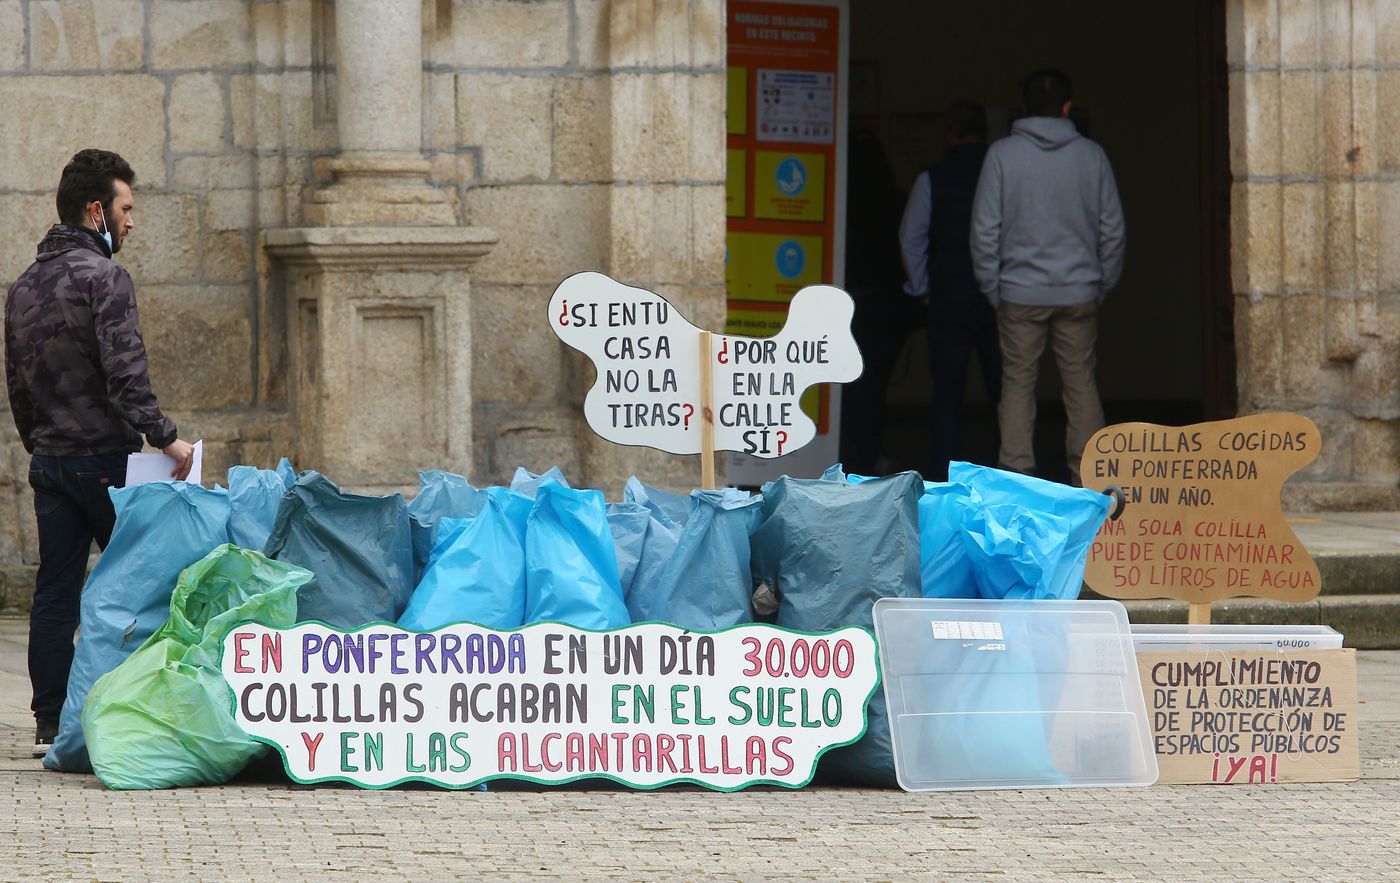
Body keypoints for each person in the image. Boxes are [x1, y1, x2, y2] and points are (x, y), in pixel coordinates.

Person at [4, 149, 194, 756]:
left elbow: (18, 383)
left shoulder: (26, 284)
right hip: (108, 461)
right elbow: (126, 376)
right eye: (126, 208)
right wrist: (167, 436)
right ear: (96, 211)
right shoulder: (103, 277)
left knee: (56, 589)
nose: (131, 221)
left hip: (51, 462)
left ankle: (50, 719)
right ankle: (146, 710)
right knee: (148, 582)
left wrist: (43, 446)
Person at [971, 69, 1125, 485]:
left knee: (1017, 385)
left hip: (1018, 293)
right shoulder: (1091, 156)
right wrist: (1099, 283)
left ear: (1024, 109)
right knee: (1081, 384)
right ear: (1067, 107)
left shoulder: (1002, 155)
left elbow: (985, 229)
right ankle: (1088, 476)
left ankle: (1017, 474)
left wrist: (992, 287)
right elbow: (1112, 230)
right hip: (1079, 291)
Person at [899, 100, 1002, 482]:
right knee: (1007, 397)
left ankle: (941, 479)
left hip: (949, 296)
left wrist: (923, 286)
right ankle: (1007, 474)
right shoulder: (1001, 174)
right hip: (999, 299)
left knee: (946, 397)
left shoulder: (933, 178)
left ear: (948, 133)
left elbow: (911, 238)